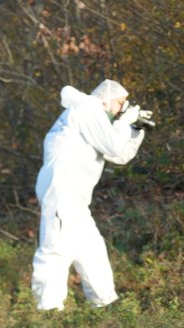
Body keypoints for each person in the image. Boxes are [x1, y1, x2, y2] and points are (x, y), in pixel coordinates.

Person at [31, 79, 147, 311]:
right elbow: (113, 146)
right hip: (61, 191)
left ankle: (105, 305)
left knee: (91, 248)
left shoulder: (94, 118)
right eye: (121, 103)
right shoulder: (87, 109)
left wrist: (136, 130)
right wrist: (124, 122)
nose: (122, 109)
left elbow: (120, 155)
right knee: (56, 248)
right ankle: (48, 311)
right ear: (107, 99)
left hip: (75, 198)